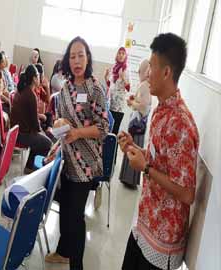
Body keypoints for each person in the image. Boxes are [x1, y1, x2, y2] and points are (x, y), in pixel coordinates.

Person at [120, 33, 199, 270]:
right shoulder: (162, 110)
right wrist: (134, 149)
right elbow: (159, 160)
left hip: (162, 240)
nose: (146, 74)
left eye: (151, 67)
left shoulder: (181, 123)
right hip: (145, 222)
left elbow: (187, 194)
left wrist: (145, 167)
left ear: (166, 72)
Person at [45, 36, 109, 270]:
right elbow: (59, 119)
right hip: (66, 158)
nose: (76, 60)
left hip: (85, 162)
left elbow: (103, 128)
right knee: (64, 208)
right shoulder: (65, 88)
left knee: (76, 217)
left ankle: (77, 265)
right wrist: (59, 127)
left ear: (88, 57)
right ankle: (63, 251)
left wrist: (77, 133)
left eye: (81, 55)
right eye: (72, 56)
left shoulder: (95, 88)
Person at [10, 64, 52, 173]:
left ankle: (29, 166)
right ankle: (33, 170)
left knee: (41, 136)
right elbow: (35, 124)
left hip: (17, 131)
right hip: (21, 134)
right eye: (38, 76)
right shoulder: (30, 95)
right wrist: (43, 133)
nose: (39, 78)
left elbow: (32, 118)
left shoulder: (22, 90)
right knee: (48, 143)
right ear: (34, 78)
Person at [119, 59, 152, 188]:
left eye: (140, 69)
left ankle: (129, 178)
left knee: (133, 147)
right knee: (133, 145)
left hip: (138, 124)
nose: (138, 72)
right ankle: (129, 178)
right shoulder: (145, 85)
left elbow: (143, 106)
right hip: (138, 122)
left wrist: (132, 102)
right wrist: (134, 101)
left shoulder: (144, 85)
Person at [105, 47, 130, 135]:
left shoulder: (126, 70)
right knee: (108, 130)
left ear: (125, 56)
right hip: (110, 104)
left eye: (123, 53)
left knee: (114, 132)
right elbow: (110, 85)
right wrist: (106, 78)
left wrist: (123, 78)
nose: (121, 55)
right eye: (119, 53)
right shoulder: (114, 68)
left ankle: (113, 148)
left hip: (118, 107)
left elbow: (128, 88)